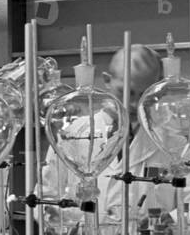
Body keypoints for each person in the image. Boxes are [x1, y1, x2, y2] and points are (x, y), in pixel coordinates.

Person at [42, 44, 165, 223]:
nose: (134, 104)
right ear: (107, 80)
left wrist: (169, 221)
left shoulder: (171, 140)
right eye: (126, 92)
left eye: (143, 94)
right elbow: (45, 197)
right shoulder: (72, 133)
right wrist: (66, 225)